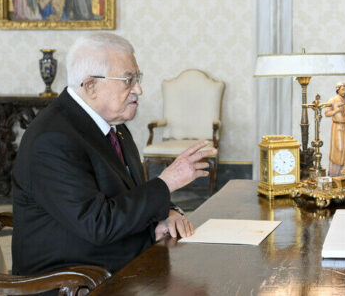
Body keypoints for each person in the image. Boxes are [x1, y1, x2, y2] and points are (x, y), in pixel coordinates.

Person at [12, 32, 216, 276]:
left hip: (109, 262)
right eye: (128, 80)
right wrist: (167, 183)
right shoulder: (52, 140)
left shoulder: (114, 127)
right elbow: (97, 224)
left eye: (138, 78)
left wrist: (168, 213)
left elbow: (126, 196)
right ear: (91, 85)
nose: (138, 89)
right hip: (67, 280)